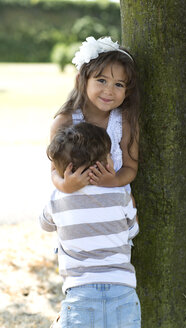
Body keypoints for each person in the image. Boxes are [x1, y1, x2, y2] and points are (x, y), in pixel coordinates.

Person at [39, 122, 141, 328]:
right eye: (110, 155)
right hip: (122, 289)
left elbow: (45, 224)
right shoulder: (120, 194)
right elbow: (133, 229)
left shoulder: (57, 199)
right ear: (102, 164)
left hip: (80, 292)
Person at [50, 36, 140, 195]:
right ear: (81, 80)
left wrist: (114, 181)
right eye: (102, 80)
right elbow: (54, 171)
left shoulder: (124, 122)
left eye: (119, 84)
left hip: (113, 204)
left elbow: (130, 168)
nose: (109, 91)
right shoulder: (64, 121)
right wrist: (65, 185)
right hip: (75, 205)